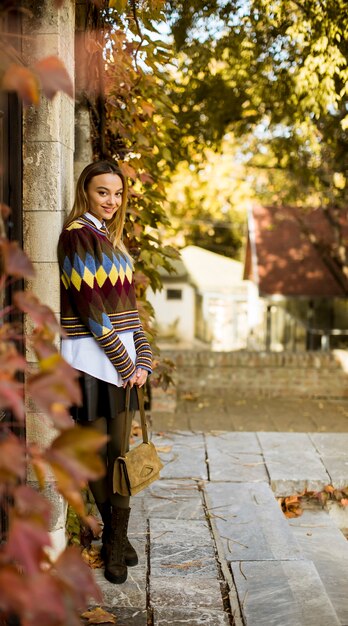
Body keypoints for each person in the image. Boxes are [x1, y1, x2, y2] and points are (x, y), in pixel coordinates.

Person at [57, 160, 152, 585]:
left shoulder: (112, 241)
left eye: (116, 193)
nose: (111, 200)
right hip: (90, 360)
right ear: (86, 191)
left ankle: (115, 540)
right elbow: (90, 308)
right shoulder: (77, 236)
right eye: (102, 192)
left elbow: (130, 312)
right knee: (96, 454)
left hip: (123, 363)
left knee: (119, 454)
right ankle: (116, 539)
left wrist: (144, 359)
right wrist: (124, 360)